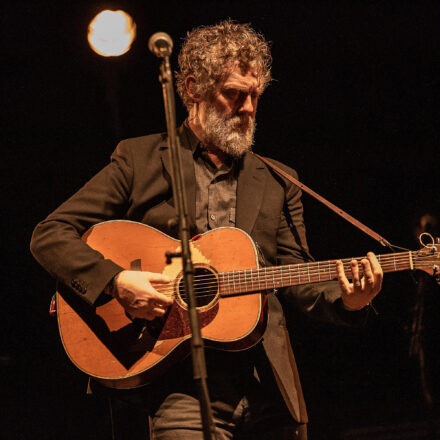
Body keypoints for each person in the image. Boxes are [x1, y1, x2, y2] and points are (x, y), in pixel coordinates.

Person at [30, 20, 383, 440]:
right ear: (193, 88)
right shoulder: (139, 159)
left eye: (255, 95)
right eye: (234, 93)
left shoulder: (278, 179)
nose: (249, 108)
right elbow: (51, 233)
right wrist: (116, 281)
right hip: (174, 384)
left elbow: (296, 278)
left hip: (267, 385)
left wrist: (349, 301)